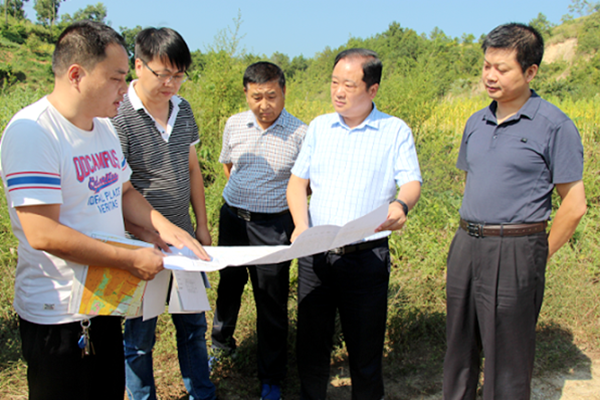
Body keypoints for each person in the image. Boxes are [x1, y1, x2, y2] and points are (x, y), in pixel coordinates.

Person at [0, 21, 209, 400]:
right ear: (76, 75)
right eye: (116, 78)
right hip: (59, 315)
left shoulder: (102, 129)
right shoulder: (34, 131)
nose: (124, 88)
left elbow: (124, 191)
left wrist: (164, 229)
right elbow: (43, 233)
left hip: (104, 301)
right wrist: (129, 258)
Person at [443, 23, 587, 400]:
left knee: (507, 360)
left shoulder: (554, 126)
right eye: (486, 66)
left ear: (530, 71)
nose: (490, 76)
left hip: (517, 249)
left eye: (502, 69)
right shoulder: (475, 122)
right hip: (466, 243)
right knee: (458, 348)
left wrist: (536, 255)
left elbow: (574, 205)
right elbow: (474, 182)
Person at [287, 48, 422, 400]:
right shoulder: (319, 127)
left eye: (348, 85)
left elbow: (411, 182)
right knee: (311, 344)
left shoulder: (394, 131)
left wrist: (401, 205)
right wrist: (300, 225)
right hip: (316, 254)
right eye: (334, 82)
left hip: (366, 256)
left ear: (372, 89)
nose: (338, 92)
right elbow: (297, 183)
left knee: (365, 349)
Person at [111, 27, 216, 400]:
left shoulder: (182, 109)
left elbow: (192, 168)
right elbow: (119, 190)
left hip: (184, 241)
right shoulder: (118, 115)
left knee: (193, 328)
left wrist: (201, 225)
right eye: (162, 74)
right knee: (140, 337)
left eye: (179, 74)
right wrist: (144, 236)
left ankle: (202, 393)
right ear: (139, 65)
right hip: (141, 245)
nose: (170, 83)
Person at [211, 61, 307, 400]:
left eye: (271, 96)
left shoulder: (301, 133)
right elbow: (229, 166)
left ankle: (271, 377)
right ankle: (221, 345)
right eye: (256, 97)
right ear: (246, 94)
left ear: (284, 91)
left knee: (270, 299)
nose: (264, 105)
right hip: (234, 219)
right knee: (229, 285)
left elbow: (305, 184)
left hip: (274, 226)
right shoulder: (234, 124)